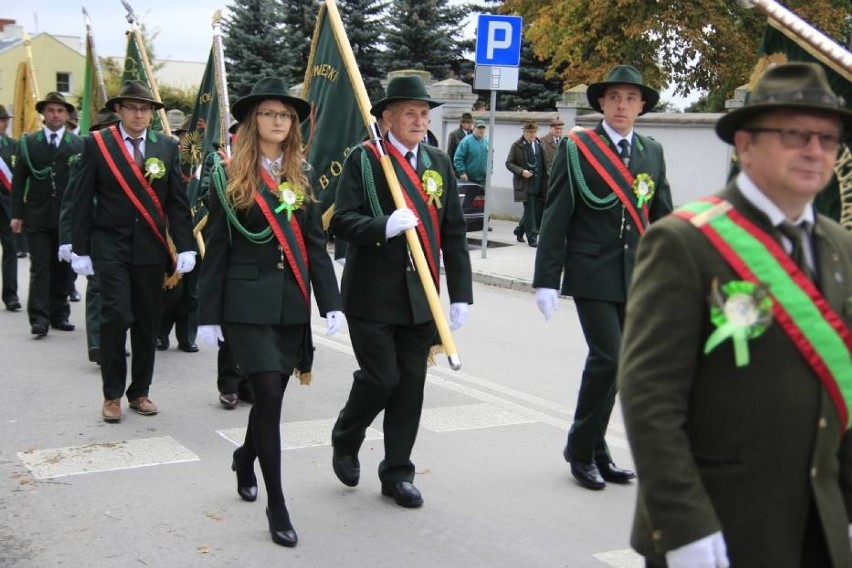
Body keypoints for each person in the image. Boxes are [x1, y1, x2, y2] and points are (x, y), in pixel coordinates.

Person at [619, 62, 852, 568]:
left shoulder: (840, 247)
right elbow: (650, 397)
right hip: (721, 526)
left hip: (822, 524)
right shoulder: (684, 242)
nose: (815, 150)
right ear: (745, 145)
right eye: (795, 134)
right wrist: (684, 529)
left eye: (828, 139)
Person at [196, 77, 343, 548]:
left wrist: (331, 302)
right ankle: (277, 504)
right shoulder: (229, 175)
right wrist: (206, 313)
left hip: (291, 305)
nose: (279, 121)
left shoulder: (301, 173)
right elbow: (217, 249)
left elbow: (316, 248)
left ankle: (244, 457)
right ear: (251, 120)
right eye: (269, 113)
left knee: (269, 399)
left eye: (286, 115)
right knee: (269, 399)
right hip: (245, 306)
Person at [329, 75, 473, 508]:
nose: (419, 120)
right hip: (371, 296)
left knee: (411, 387)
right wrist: (382, 227)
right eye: (409, 112)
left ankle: (397, 473)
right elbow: (340, 221)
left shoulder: (437, 161)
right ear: (387, 117)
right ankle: (347, 435)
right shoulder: (366, 160)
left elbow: (454, 231)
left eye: (424, 113)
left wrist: (461, 293)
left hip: (420, 297)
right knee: (382, 378)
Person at [533, 64, 672, 490]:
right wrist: (545, 278)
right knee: (608, 358)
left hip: (635, 276)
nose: (622, 105)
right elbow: (558, 214)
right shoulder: (579, 149)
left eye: (631, 98)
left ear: (642, 105)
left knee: (620, 366)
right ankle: (579, 450)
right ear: (602, 104)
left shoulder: (652, 151)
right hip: (591, 271)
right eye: (614, 97)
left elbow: (663, 216)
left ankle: (597, 451)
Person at [70, 80, 196, 422]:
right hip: (109, 244)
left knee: (146, 321)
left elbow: (176, 202)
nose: (139, 114)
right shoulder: (98, 144)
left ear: (152, 115)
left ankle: (140, 392)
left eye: (145, 109)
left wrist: (185, 245)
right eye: (132, 108)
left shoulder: (167, 147)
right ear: (119, 111)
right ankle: (111, 394)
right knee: (116, 316)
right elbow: (80, 198)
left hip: (150, 247)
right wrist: (78, 248)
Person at [11, 91, 83, 337]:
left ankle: (59, 313)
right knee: (40, 267)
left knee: (63, 267)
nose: (56, 115)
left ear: (67, 115)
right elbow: (18, 181)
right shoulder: (29, 143)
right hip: (38, 215)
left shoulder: (78, 144)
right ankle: (39, 319)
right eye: (51, 110)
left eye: (60, 110)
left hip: (67, 218)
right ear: (43, 113)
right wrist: (16, 214)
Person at [59, 107, 121, 364]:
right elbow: (70, 202)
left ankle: (116, 339)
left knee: (122, 293)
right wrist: (67, 239)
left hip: (124, 232)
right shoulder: (85, 157)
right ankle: (97, 343)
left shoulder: (129, 158)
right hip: (94, 232)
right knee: (96, 286)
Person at [157, 116, 199, 353]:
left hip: (199, 231)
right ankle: (161, 332)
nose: (188, 142)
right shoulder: (169, 158)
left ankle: (187, 335)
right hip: (172, 232)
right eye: (184, 137)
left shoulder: (207, 165)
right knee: (172, 290)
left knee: (193, 292)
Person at [506, 121, 547, 247]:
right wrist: (521, 171)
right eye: (529, 132)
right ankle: (532, 238)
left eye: (534, 132)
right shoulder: (517, 145)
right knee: (530, 212)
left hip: (539, 183)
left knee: (535, 211)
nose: (532, 134)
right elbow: (509, 163)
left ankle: (519, 231)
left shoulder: (539, 144)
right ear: (524, 132)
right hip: (525, 185)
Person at [0, 104, 20, 312]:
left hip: (7, 206)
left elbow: (18, 177)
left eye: (6, 119)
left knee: (11, 250)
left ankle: (10, 295)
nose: (5, 123)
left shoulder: (13, 145)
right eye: (2, 119)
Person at [453, 119, 489, 185]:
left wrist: (490, 171)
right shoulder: (466, 141)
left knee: (482, 195)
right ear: (474, 128)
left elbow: (490, 159)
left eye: (483, 128)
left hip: (483, 180)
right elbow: (458, 158)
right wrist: (462, 172)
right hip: (469, 179)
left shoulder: (487, 142)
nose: (482, 130)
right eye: (479, 128)